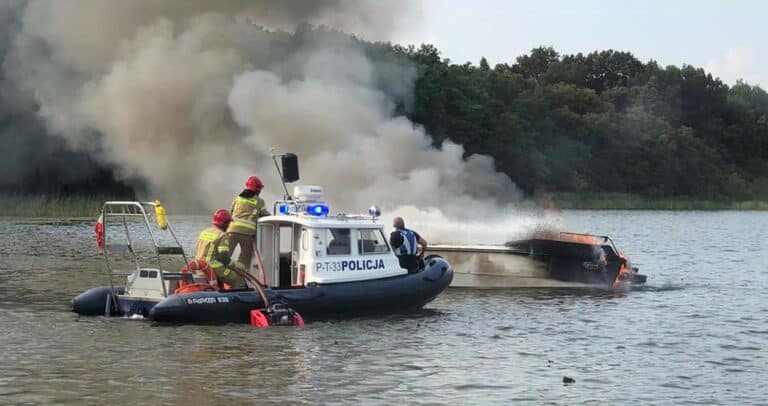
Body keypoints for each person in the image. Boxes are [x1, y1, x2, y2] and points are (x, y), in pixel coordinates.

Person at [226, 176, 271, 271]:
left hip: (231, 231)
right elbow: (264, 214)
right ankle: (239, 274)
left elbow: (231, 211)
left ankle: (220, 274)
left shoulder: (238, 198)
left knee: (225, 254)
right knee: (245, 256)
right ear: (257, 189)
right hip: (247, 234)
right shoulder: (260, 201)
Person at [194, 209, 246, 290]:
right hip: (213, 268)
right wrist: (238, 266)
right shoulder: (222, 235)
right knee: (238, 281)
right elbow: (224, 258)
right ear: (225, 223)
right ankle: (237, 301)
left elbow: (197, 249)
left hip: (200, 268)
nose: (229, 225)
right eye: (229, 223)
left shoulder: (204, 232)